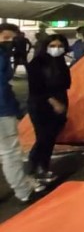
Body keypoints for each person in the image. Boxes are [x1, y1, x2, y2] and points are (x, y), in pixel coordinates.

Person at [0, 23, 43, 202]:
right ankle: (23, 192)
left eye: (12, 38)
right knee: (10, 153)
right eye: (6, 37)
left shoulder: (4, 53)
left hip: (5, 106)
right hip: (2, 110)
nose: (9, 41)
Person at [26, 34, 71, 182]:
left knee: (50, 138)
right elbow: (36, 88)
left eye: (59, 46)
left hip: (60, 102)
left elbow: (66, 84)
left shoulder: (60, 62)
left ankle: (42, 167)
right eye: (52, 46)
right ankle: (33, 166)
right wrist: (54, 102)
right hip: (41, 105)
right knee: (44, 137)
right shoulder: (37, 63)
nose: (56, 49)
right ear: (45, 47)